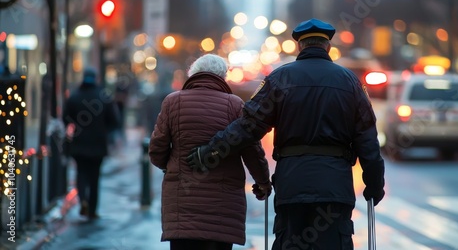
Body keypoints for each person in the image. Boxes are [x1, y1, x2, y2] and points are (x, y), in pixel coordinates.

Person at [186, 19, 385, 249]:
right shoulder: (349, 82)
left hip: (293, 185)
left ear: (300, 46)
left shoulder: (280, 79)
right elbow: (367, 140)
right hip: (334, 188)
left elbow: (248, 127)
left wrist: (210, 152)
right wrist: (374, 184)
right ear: (327, 46)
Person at [148, 54, 271, 250]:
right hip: (222, 206)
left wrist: (173, 166)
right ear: (222, 77)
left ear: (193, 75)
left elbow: (156, 150)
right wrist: (263, 181)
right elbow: (251, 149)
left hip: (182, 203)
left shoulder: (172, 102)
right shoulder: (235, 104)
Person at [63, 66, 120, 220]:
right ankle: (92, 210)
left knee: (81, 173)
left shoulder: (74, 96)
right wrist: (105, 132)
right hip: (98, 144)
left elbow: (65, 118)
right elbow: (115, 120)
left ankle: (83, 201)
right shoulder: (103, 96)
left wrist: (73, 129)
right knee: (95, 177)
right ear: (96, 78)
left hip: (79, 143)